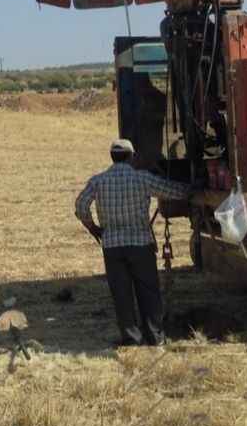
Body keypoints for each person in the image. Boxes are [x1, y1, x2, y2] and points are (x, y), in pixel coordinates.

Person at [75, 139, 190, 347]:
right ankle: (155, 338)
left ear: (112, 156)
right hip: (140, 245)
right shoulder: (142, 179)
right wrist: (193, 188)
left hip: (112, 246)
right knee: (148, 292)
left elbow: (81, 205)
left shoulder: (98, 181)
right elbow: (174, 192)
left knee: (122, 294)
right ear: (131, 156)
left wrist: (93, 228)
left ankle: (131, 339)